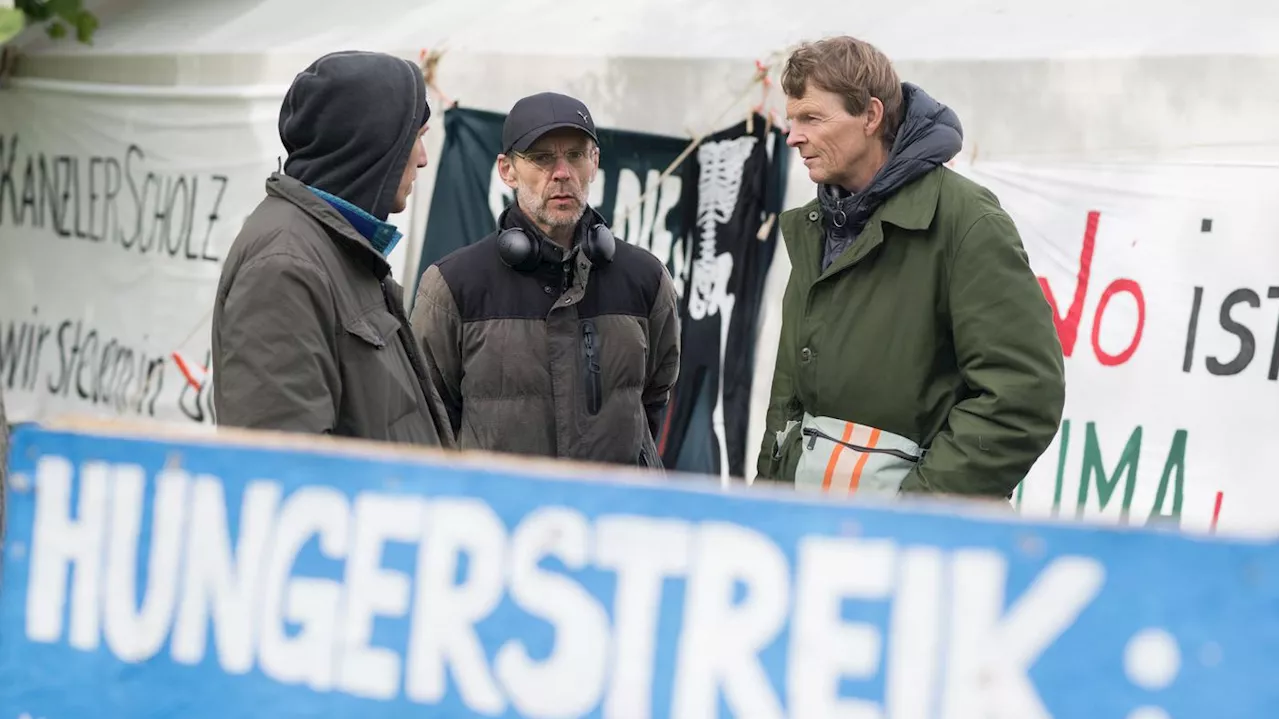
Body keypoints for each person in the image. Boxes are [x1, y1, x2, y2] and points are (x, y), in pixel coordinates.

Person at [757, 36, 1065, 498]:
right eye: (793, 119)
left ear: (871, 116)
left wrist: (916, 509)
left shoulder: (968, 222)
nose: (793, 135)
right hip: (814, 535)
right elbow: (789, 401)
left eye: (812, 118)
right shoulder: (814, 226)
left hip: (919, 551)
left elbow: (1022, 396)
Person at [410, 92, 680, 468]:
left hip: (614, 519)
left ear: (595, 163)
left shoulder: (645, 278)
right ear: (507, 170)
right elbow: (425, 417)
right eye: (541, 158)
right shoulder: (453, 285)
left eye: (575, 155)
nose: (562, 173)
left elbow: (653, 397)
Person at [212, 50, 453, 447]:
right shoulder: (285, 266)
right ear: (372, 143)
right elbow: (282, 467)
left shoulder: (336, 245)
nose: (423, 160)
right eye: (416, 139)